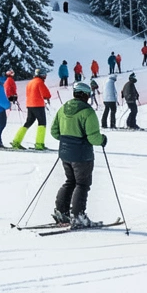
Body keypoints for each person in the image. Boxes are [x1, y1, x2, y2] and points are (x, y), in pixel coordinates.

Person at [50, 82, 107, 228]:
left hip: (65, 153)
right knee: (82, 184)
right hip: (82, 156)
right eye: (89, 95)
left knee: (70, 181)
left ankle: (62, 211)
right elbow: (93, 138)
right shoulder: (87, 112)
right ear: (84, 95)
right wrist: (103, 139)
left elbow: (54, 132)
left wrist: (68, 140)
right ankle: (78, 215)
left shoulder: (63, 109)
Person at [12, 70, 52, 150]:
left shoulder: (30, 82)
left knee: (28, 123)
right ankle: (39, 143)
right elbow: (46, 94)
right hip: (38, 105)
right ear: (41, 75)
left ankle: (16, 141)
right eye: (44, 75)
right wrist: (47, 97)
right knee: (42, 123)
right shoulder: (40, 82)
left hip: (30, 105)